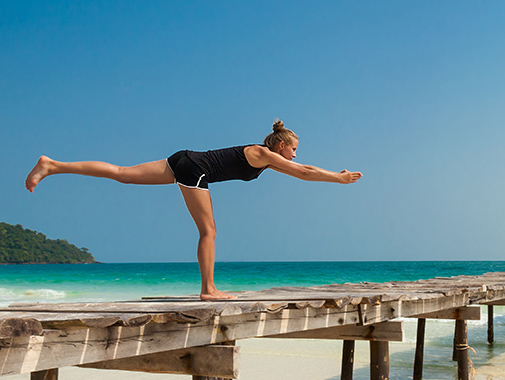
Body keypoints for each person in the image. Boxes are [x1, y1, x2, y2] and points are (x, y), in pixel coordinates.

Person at [25, 120, 361, 300]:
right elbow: (306, 172)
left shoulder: (265, 159)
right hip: (194, 170)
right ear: (281, 144)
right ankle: (208, 290)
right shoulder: (262, 153)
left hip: (185, 159)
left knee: (122, 174)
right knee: (209, 231)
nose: (295, 155)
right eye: (294, 149)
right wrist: (339, 178)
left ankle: (53, 165)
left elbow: (300, 169)